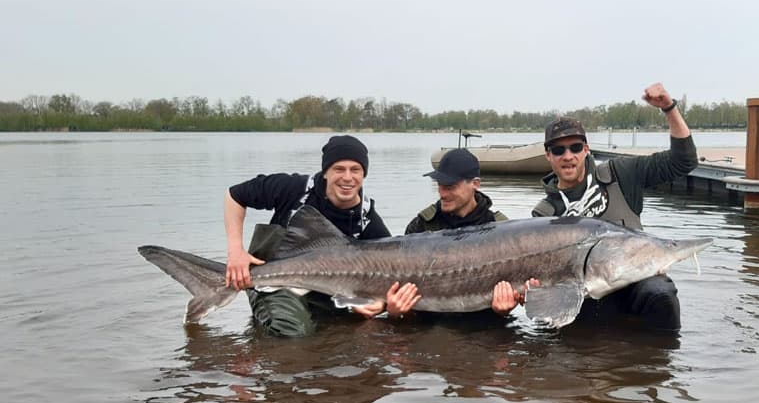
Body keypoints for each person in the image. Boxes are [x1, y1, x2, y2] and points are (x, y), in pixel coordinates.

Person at [532, 82, 698, 331]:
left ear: (586, 150)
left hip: (634, 284)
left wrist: (668, 108)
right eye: (559, 150)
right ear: (548, 156)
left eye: (576, 147)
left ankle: (662, 365)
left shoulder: (622, 174)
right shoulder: (544, 213)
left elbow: (683, 161)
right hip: (585, 294)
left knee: (661, 294)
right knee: (552, 325)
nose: (568, 156)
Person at [224, 135, 420, 337]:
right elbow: (235, 196)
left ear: (363, 175)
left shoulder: (367, 219)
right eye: (339, 169)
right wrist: (236, 251)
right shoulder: (292, 188)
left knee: (351, 333)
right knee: (293, 333)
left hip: (324, 289)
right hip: (273, 281)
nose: (347, 177)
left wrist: (378, 304)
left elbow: (387, 276)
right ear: (326, 172)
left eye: (355, 170)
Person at [405, 148, 533, 317]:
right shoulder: (421, 226)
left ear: (475, 184)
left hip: (482, 328)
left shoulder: (501, 228)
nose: (442, 193)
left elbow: (520, 287)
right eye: (440, 185)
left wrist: (505, 309)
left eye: (450, 186)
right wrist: (398, 312)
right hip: (431, 325)